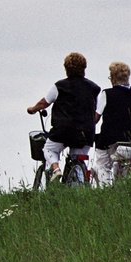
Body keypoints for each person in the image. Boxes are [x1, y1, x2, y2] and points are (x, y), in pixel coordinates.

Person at [27, 52, 101, 181]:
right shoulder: (94, 88)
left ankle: (56, 169)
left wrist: (32, 109)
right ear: (84, 68)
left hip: (63, 131)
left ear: (66, 68)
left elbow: (44, 102)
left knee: (49, 149)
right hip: (85, 132)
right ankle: (80, 183)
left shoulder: (60, 86)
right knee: (77, 157)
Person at [93, 61, 131, 186]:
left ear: (113, 79)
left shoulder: (107, 94)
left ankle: (105, 189)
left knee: (102, 164)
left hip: (109, 139)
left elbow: (96, 117)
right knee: (122, 162)